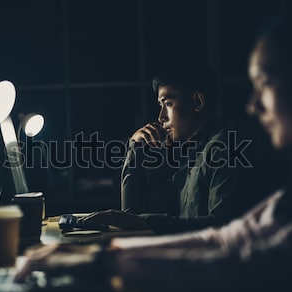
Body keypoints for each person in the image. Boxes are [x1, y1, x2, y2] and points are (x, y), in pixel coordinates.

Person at [16, 5, 292, 292]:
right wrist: (104, 251)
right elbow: (223, 239)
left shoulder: (225, 148)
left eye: (265, 84)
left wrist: (102, 261)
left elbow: (255, 259)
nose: (252, 106)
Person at [80, 63, 281, 234]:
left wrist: (144, 222)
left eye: (167, 103)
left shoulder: (225, 147)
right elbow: (133, 214)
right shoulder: (194, 155)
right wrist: (135, 147)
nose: (160, 117)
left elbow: (223, 226)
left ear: (197, 102)